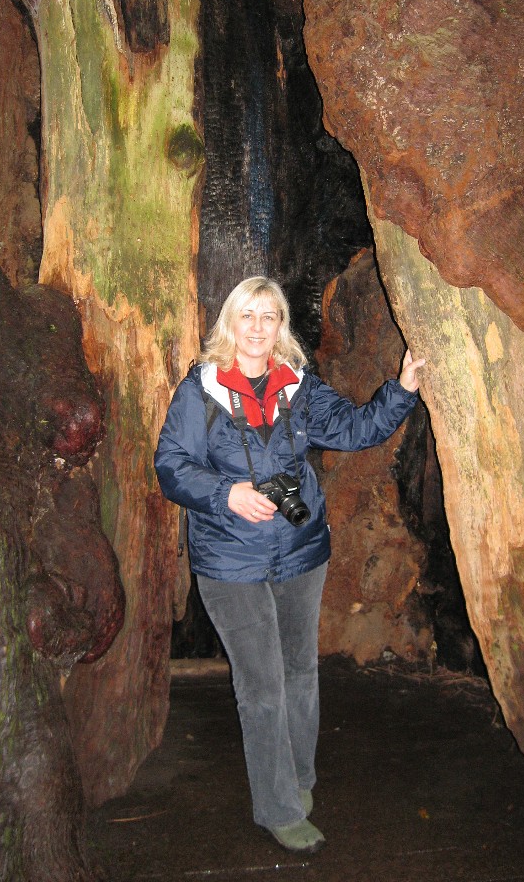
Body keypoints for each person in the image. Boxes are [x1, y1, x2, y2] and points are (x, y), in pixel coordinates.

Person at [154, 276, 424, 854]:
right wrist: (225, 494)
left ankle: (299, 779)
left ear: (281, 327)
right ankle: (276, 807)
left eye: (268, 317)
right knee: (263, 684)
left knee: (301, 671)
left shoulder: (297, 388)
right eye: (247, 316)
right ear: (230, 324)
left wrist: (401, 388)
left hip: (301, 551)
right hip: (231, 561)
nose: (257, 328)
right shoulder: (199, 392)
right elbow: (171, 465)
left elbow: (355, 428)